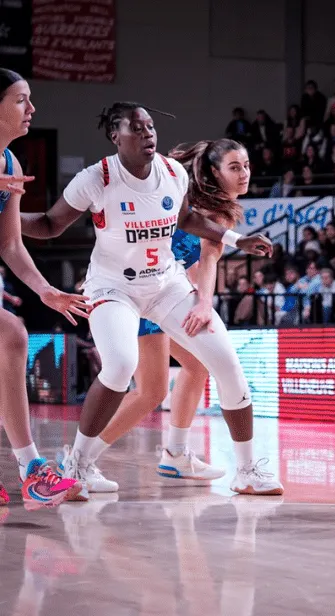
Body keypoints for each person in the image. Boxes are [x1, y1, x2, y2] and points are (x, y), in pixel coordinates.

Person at [19, 101, 283, 498]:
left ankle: (246, 470)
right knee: (122, 366)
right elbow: (48, 225)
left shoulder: (173, 172)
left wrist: (236, 239)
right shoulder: (96, 178)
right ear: (115, 136)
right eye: (137, 128)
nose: (148, 134)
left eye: (151, 127)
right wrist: (7, 216)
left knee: (227, 365)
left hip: (166, 286)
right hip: (114, 288)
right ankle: (77, 464)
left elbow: (186, 220)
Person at [74, 139, 253, 492]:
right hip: (141, 292)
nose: (244, 173)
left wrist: (202, 303)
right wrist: (203, 304)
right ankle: (83, 457)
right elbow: (205, 262)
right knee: (151, 391)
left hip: (164, 293)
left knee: (188, 371)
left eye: (246, 165)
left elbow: (205, 261)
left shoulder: (212, 203)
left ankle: (174, 453)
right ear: (214, 172)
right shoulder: (193, 198)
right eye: (235, 167)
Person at [0, 68, 84, 508]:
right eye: (20, 99)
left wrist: (45, 289)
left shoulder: (11, 163)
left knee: (12, 337)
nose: (31, 109)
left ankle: (32, 471)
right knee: (11, 333)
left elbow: (11, 244)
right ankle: (30, 466)